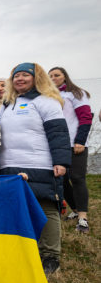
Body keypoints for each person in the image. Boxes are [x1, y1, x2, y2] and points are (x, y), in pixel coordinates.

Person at [0, 63, 71, 274]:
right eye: (16, 76)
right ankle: (23, 251)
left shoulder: (46, 101)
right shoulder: (7, 104)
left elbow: (58, 133)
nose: (19, 79)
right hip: (9, 164)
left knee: (45, 207)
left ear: (36, 78)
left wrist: (61, 161)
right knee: (16, 208)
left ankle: (50, 257)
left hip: (39, 164)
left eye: (25, 75)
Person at [49, 66, 92, 233]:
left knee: (77, 177)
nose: (53, 78)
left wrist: (80, 140)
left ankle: (83, 218)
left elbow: (86, 116)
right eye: (50, 75)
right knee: (61, 178)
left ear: (64, 77)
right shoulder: (48, 95)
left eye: (57, 75)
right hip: (58, 143)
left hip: (76, 142)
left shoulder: (76, 93)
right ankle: (74, 209)